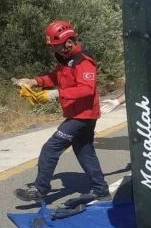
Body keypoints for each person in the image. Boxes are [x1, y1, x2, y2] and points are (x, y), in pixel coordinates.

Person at [13, 20, 110, 202]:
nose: (55, 50)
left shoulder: (83, 61)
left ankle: (40, 190)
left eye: (57, 46)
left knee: (50, 149)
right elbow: (53, 77)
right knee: (84, 151)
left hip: (83, 116)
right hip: (77, 115)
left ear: (68, 41)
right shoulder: (66, 62)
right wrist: (33, 82)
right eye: (53, 47)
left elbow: (87, 89)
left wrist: (57, 94)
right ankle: (101, 190)